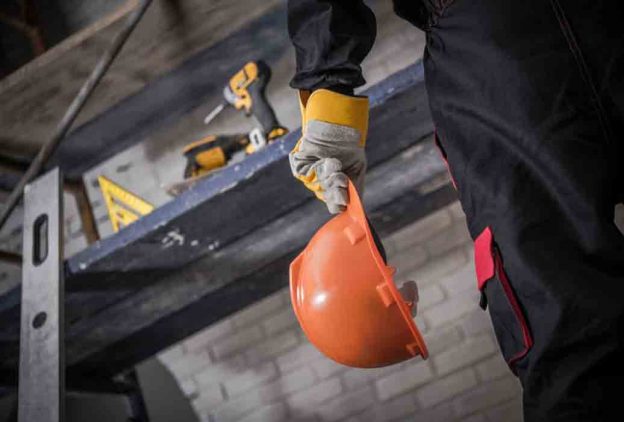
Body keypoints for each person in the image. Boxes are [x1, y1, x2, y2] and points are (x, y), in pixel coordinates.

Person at [286, 0, 624, 420]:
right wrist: (326, 88)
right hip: (492, 45)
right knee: (568, 339)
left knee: (568, 339)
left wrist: (326, 84)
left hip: (492, 53)